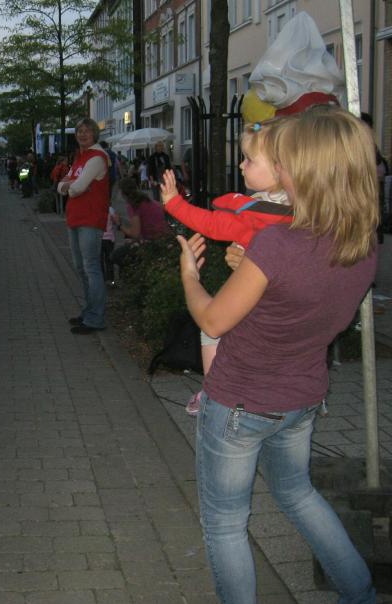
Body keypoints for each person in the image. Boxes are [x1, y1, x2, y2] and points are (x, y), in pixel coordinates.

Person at [174, 106, 377, 603]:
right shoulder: (362, 243)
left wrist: (190, 276)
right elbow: (302, 299)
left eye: (286, 159)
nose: (279, 166)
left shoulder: (278, 244)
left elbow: (213, 320)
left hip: (241, 403)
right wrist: (252, 269)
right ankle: (361, 595)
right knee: (298, 494)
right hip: (301, 398)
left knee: (226, 522)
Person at [161, 120, 295, 415]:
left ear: (279, 167)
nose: (241, 165)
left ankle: (211, 390)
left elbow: (211, 223)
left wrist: (173, 203)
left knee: (211, 329)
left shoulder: (256, 213)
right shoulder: (304, 209)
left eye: (249, 160)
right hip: (288, 316)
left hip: (252, 297)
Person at [57, 117, 110, 334]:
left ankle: (96, 318)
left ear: (95, 134)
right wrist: (72, 186)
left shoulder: (97, 157)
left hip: (90, 219)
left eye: (87, 131)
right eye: (80, 131)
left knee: (91, 268)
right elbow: (63, 185)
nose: (83, 134)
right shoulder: (80, 158)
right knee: (81, 268)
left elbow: (75, 188)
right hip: (75, 218)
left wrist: (71, 187)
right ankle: (89, 312)